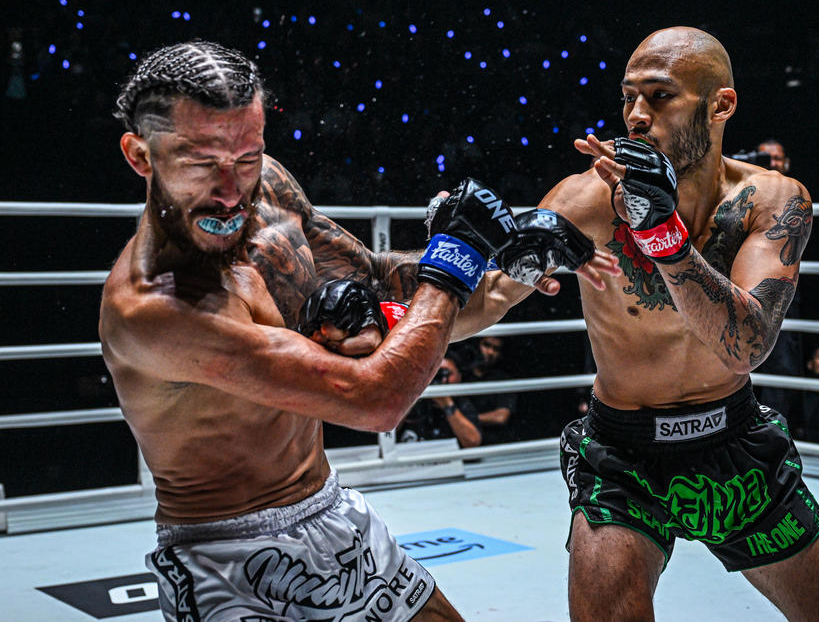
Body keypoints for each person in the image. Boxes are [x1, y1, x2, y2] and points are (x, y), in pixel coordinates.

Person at [98, 39, 588, 621]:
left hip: (331, 513)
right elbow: (375, 400)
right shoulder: (153, 307)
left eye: (247, 156)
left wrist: (511, 267)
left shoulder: (267, 192)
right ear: (140, 155)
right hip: (226, 560)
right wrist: (454, 257)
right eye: (202, 162)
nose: (230, 191)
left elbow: (379, 278)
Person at [456, 27, 819, 620]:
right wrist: (443, 267)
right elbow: (493, 296)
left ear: (720, 105)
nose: (636, 116)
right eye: (628, 97)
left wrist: (662, 236)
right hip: (623, 456)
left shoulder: (773, 200)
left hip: (737, 445)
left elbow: (746, 346)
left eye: (660, 96)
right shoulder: (587, 199)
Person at [751, 139, 804, 427]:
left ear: (787, 163)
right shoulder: (742, 196)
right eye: (764, 158)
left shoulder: (799, 197)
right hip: (747, 293)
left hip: (784, 299)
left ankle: (774, 434)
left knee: (781, 369)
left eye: (776, 158)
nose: (771, 164)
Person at [398, 348, 483, 448]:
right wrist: (414, 396)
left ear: (459, 376)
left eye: (446, 373)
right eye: (435, 373)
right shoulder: (417, 402)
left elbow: (473, 442)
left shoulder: (463, 404)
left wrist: (447, 404)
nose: (440, 379)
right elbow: (388, 431)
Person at [463, 336, 520, 444]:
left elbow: (501, 417)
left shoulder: (503, 380)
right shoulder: (461, 375)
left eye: (496, 349)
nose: (490, 352)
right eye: (486, 345)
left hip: (492, 442)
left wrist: (464, 419)